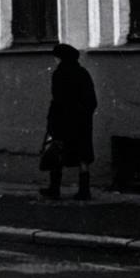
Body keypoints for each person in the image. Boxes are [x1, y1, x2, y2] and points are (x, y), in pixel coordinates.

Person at [42, 42, 97, 201]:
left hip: (63, 120)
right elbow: (92, 100)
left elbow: (58, 99)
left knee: (57, 151)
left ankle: (54, 189)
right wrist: (85, 115)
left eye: (56, 57)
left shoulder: (59, 74)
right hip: (82, 122)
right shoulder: (83, 73)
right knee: (83, 155)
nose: (55, 61)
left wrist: (53, 121)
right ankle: (84, 191)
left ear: (60, 58)